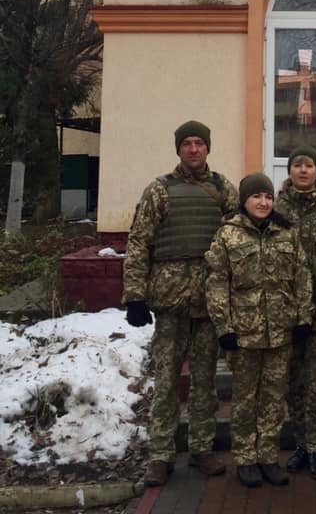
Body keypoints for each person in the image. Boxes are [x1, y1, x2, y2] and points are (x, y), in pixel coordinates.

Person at [122, 120, 238, 489]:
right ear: (178, 149)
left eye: (199, 143)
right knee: (168, 380)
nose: (192, 149)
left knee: (205, 380)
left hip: (208, 301)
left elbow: (240, 239)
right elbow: (139, 242)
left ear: (207, 148)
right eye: (186, 143)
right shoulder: (159, 190)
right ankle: (161, 454)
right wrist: (135, 296)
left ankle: (202, 449)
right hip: (170, 302)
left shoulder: (223, 189)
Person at [205, 173, 313, 489]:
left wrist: (303, 318)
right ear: (244, 201)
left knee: (273, 398)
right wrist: (224, 327)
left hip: (280, 333)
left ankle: (267, 456)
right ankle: (246, 459)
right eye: (256, 197)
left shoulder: (286, 234)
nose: (264, 202)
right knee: (245, 399)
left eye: (268, 196)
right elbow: (215, 283)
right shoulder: (228, 235)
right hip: (243, 334)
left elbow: (302, 276)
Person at [275, 146, 316, 479]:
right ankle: (300, 444)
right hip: (287, 310)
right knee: (293, 382)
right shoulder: (276, 205)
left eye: (308, 165)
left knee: (315, 383)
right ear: (289, 170)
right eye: (297, 165)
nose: (302, 170)